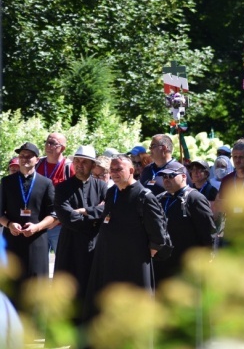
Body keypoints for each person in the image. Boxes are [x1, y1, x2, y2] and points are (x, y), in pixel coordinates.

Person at [82, 154, 170, 327]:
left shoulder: (144, 195)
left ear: (131, 170)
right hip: (109, 259)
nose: (114, 173)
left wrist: (143, 253)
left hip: (134, 263)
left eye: (118, 169)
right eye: (112, 170)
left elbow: (158, 233)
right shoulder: (112, 192)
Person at [53, 145, 108, 326]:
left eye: (84, 162)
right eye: (77, 161)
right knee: (68, 286)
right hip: (70, 243)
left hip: (94, 242)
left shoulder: (102, 187)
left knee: (91, 285)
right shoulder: (62, 188)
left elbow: (107, 210)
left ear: (93, 165)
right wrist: (92, 218)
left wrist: (84, 211)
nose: (79, 165)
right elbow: (65, 215)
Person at [0, 143, 56, 309]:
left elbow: (53, 214)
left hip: (36, 241)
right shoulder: (7, 182)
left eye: (29, 156)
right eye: (22, 155)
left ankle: (36, 328)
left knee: (36, 284)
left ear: (37, 160)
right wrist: (9, 224)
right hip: (12, 238)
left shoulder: (46, 183)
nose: (24, 159)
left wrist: (37, 227)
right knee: (12, 283)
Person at [154, 161, 214, 287]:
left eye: (171, 176)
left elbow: (208, 231)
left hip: (186, 263)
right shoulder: (160, 198)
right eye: (164, 177)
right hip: (163, 262)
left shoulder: (194, 198)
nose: (166, 180)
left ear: (184, 176)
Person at [35, 133, 74, 253]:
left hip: (59, 226)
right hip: (38, 223)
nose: (48, 145)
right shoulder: (37, 164)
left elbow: (74, 197)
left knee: (63, 265)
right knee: (38, 265)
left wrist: (58, 220)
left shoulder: (69, 167)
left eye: (52, 143)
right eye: (47, 142)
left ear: (62, 148)